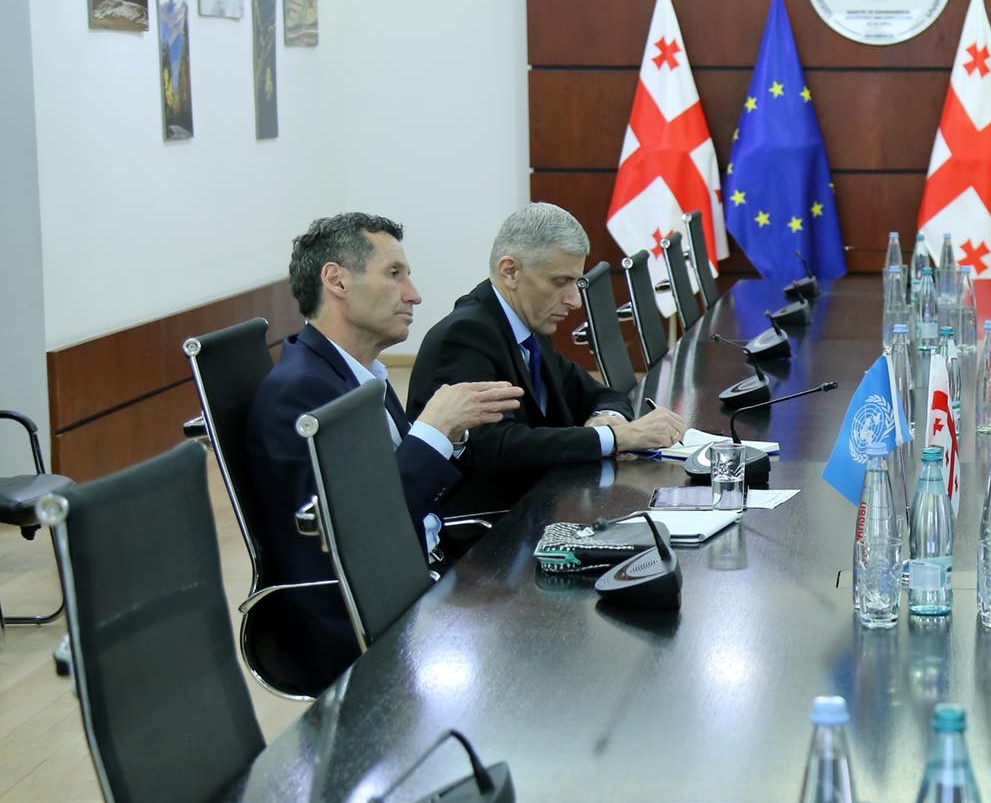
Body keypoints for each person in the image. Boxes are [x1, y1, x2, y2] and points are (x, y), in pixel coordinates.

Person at [246, 212, 524, 694]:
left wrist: (453, 434)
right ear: (337, 281)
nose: (414, 294)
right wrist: (434, 430)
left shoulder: (354, 372)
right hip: (364, 620)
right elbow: (361, 533)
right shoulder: (302, 393)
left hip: (415, 577)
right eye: (395, 274)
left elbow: (397, 492)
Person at [408, 202, 688, 514]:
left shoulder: (527, 324)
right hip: (492, 526)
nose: (575, 301)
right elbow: (496, 446)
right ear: (510, 271)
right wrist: (615, 437)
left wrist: (607, 419)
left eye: (575, 282)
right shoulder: (466, 335)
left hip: (542, 502)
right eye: (560, 282)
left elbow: (600, 394)